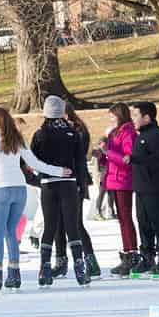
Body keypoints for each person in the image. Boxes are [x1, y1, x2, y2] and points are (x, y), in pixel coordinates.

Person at [0, 107, 68, 290]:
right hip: (19, 189)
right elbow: (34, 163)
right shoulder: (16, 138)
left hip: (0, 188)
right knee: (10, 231)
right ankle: (14, 273)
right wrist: (59, 171)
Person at [29, 97, 92, 287]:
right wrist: (82, 184)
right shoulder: (72, 133)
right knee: (72, 226)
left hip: (48, 184)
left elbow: (34, 159)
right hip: (69, 183)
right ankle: (80, 269)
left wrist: (39, 178)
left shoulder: (40, 134)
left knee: (50, 227)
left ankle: (45, 268)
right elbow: (80, 161)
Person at [130, 100, 159, 278]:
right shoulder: (142, 135)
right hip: (142, 188)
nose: (132, 119)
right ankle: (147, 256)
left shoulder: (156, 136)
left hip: (155, 188)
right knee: (143, 223)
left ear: (146, 117)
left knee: (158, 223)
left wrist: (135, 159)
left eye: (135, 115)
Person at [57, 104, 98, 278]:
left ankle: (91, 261)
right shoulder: (63, 130)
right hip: (61, 180)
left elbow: (78, 157)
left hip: (74, 181)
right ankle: (61, 260)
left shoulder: (76, 131)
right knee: (59, 222)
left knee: (75, 223)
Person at [100, 103, 139, 277]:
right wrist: (102, 154)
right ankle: (128, 251)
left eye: (113, 116)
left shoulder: (128, 132)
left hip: (123, 180)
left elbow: (127, 158)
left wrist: (108, 152)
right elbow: (111, 157)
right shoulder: (115, 132)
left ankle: (131, 252)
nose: (111, 120)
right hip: (114, 179)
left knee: (125, 217)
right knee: (122, 219)